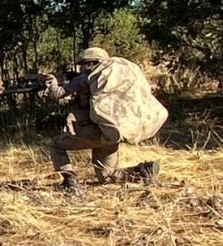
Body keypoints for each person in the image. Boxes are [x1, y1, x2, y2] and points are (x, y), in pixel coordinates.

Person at [44, 47, 159, 194]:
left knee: (56, 145)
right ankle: (143, 170)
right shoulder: (114, 78)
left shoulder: (88, 77)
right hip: (112, 131)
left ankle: (69, 181)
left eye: (84, 64)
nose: (82, 68)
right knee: (107, 177)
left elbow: (58, 94)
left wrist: (51, 82)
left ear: (93, 63)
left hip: (95, 130)